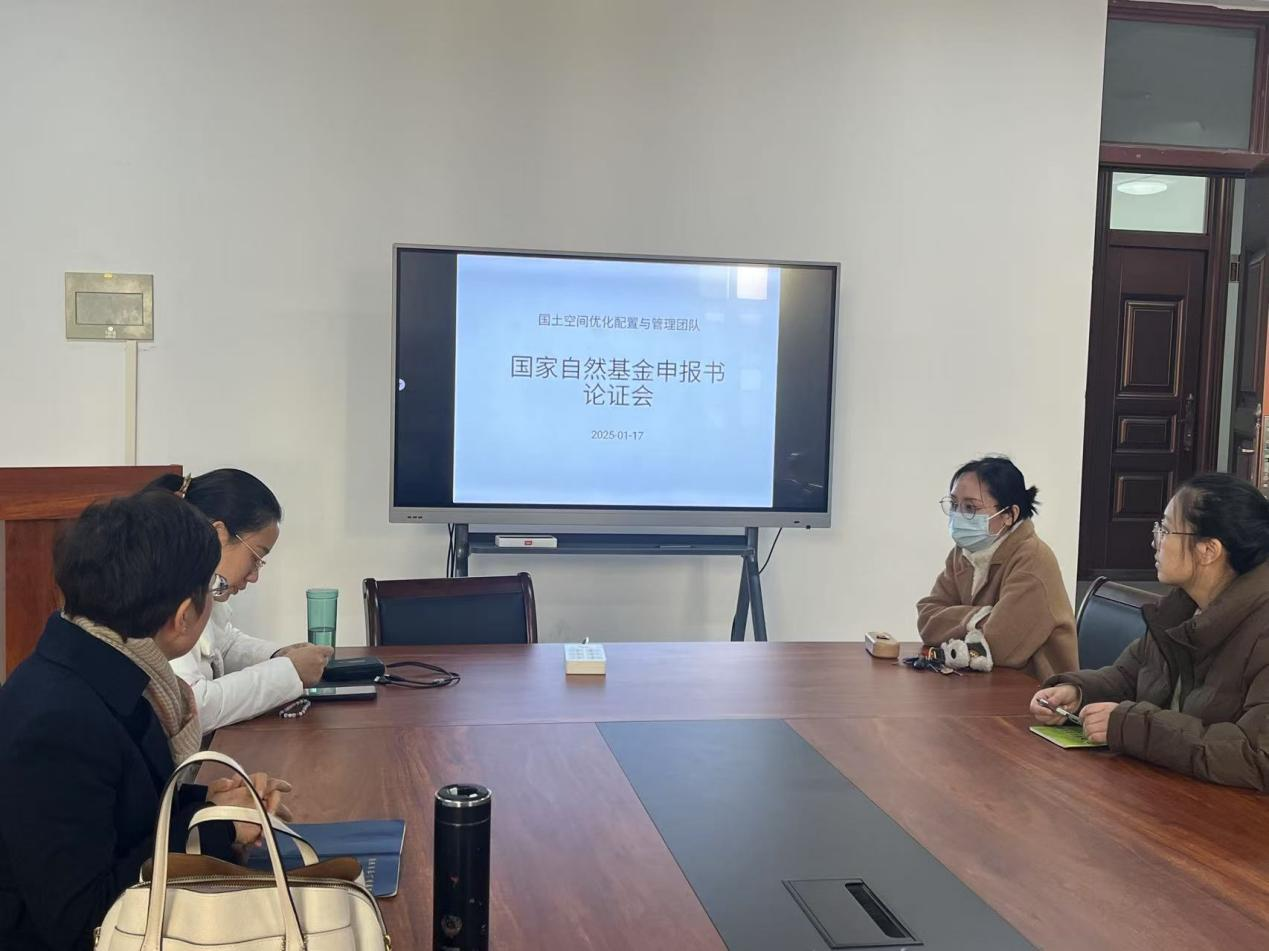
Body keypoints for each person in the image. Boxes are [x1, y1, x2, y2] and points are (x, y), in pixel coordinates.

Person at [0, 492, 290, 951]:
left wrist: (209, 803)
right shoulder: (59, 722)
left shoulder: (102, 668)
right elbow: (85, 920)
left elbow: (119, 809)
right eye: (213, 589)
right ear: (183, 617)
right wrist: (216, 829)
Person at [1031, 473, 1269, 790]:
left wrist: (1132, 727)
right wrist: (1077, 693)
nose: (1155, 541)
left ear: (1208, 550)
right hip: (1169, 790)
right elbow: (1128, 678)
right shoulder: (1180, 610)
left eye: (1166, 530)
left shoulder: (1261, 629)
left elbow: (1256, 755)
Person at [145, 469, 331, 731]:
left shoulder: (199, 584)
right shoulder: (162, 592)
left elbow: (222, 645)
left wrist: (278, 656)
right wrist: (288, 672)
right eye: (255, 557)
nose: (254, 576)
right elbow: (191, 706)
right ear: (218, 534)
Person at [917, 456, 1077, 680]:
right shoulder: (963, 553)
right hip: (979, 682)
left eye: (971, 507)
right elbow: (927, 618)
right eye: (954, 505)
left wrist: (959, 621)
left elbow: (999, 647)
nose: (958, 516)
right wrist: (981, 617)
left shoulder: (1033, 559)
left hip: (1036, 691)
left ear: (1009, 515)